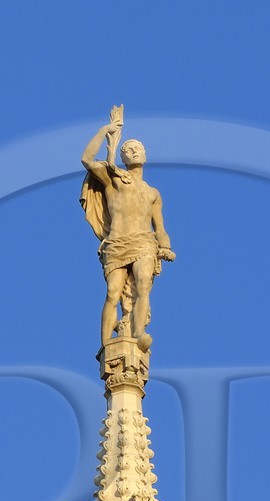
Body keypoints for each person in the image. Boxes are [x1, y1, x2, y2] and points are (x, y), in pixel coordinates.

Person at [80, 105, 176, 349]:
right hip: (117, 242)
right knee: (113, 292)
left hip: (144, 242)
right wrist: (105, 130)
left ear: (145, 155)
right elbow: (87, 160)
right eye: (129, 150)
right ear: (122, 157)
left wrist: (165, 246)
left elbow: (160, 226)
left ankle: (139, 332)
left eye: (138, 149)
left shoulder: (152, 193)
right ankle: (105, 345)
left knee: (143, 284)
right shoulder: (114, 179)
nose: (135, 152)